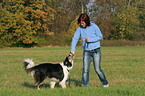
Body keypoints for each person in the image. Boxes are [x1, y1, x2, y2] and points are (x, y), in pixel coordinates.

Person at [71, 13, 109, 87]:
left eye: (83, 23)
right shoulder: (80, 28)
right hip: (86, 51)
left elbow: (100, 36)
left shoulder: (94, 27)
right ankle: (85, 86)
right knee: (85, 70)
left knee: (97, 69)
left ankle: (105, 83)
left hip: (96, 51)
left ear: (87, 21)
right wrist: (73, 49)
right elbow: (75, 38)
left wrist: (90, 40)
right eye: (80, 23)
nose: (82, 24)